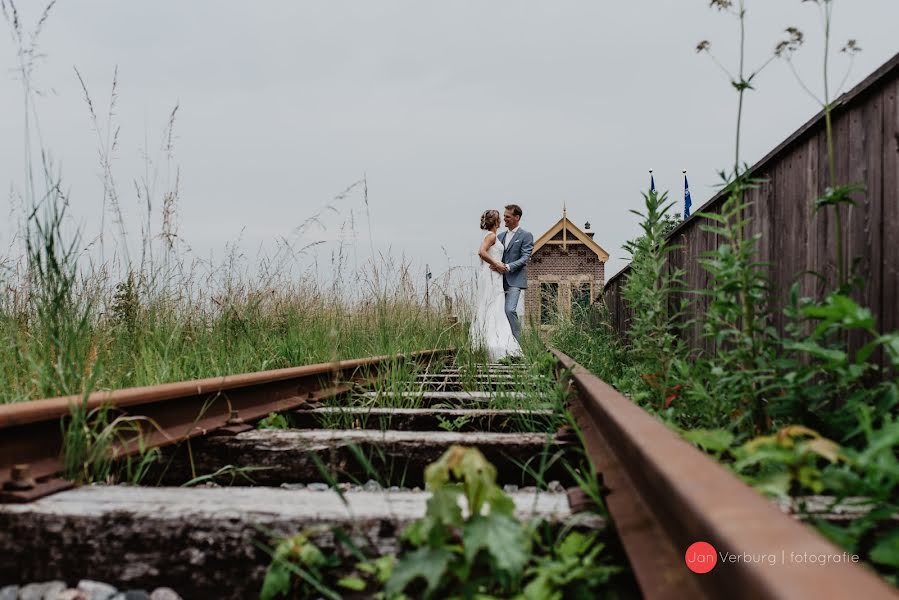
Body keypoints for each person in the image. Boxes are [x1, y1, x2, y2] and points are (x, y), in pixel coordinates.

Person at [470, 209, 522, 362]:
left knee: (494, 307)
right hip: (492, 275)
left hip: (494, 276)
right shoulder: (492, 236)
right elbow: (481, 252)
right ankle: (497, 345)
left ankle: (492, 341)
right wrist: (496, 264)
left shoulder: (491, 236)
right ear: (497, 222)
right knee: (494, 306)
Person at [490, 204, 533, 341]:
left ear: (517, 217)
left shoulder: (526, 236)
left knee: (509, 310)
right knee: (498, 312)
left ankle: (519, 344)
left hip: (515, 280)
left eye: (507, 217)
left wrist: (508, 267)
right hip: (498, 280)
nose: (504, 219)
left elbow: (525, 257)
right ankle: (504, 342)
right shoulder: (500, 236)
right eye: (504, 216)